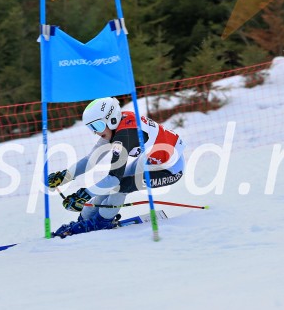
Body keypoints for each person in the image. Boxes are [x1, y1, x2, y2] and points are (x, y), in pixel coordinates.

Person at [48, 96, 185, 238]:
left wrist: (83, 195)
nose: (96, 132)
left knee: (120, 185)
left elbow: (114, 179)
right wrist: (65, 176)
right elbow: (91, 160)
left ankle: (102, 221)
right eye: (92, 128)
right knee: (111, 184)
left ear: (111, 119)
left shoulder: (124, 136)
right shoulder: (115, 128)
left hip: (171, 169)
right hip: (150, 161)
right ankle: (86, 218)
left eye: (98, 126)